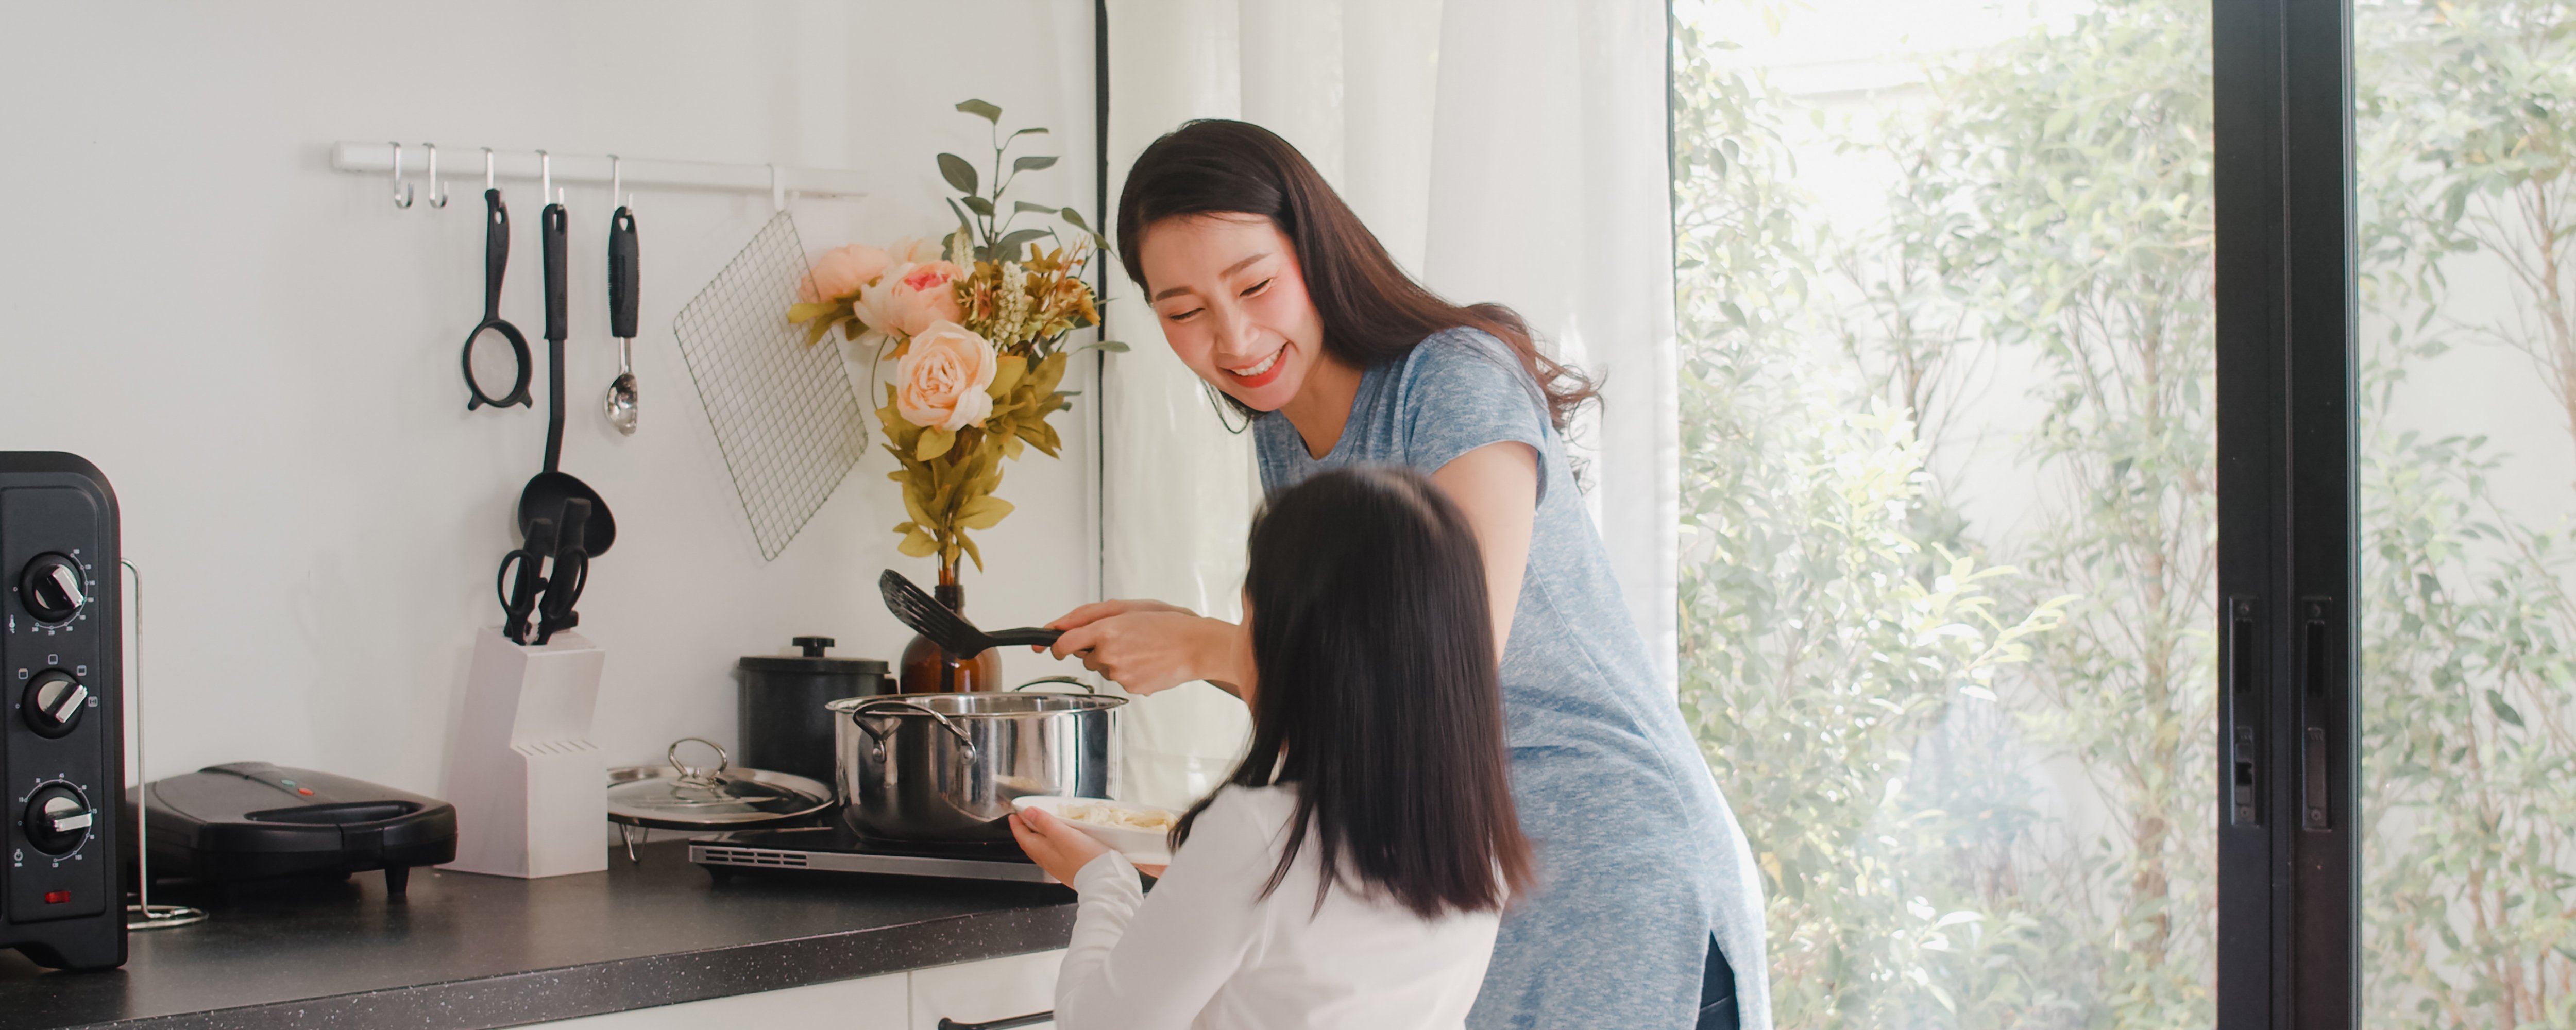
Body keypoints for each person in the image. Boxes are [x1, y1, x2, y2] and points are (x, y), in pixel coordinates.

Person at [1039, 119, 1766, 1029]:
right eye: (1184, 312)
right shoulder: (1283, 427)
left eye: (1256, 284)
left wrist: (1202, 646)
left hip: (1604, 865)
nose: (1234, 338)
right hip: (1452, 878)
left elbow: (1440, 665)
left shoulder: (1453, 383)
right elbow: (1338, 708)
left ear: (1316, 248)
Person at [1011, 466, 1534, 1029]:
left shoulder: (1259, 834)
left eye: (1247, 614)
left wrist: (1105, 880)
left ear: (1294, 644)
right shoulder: (1476, 837)